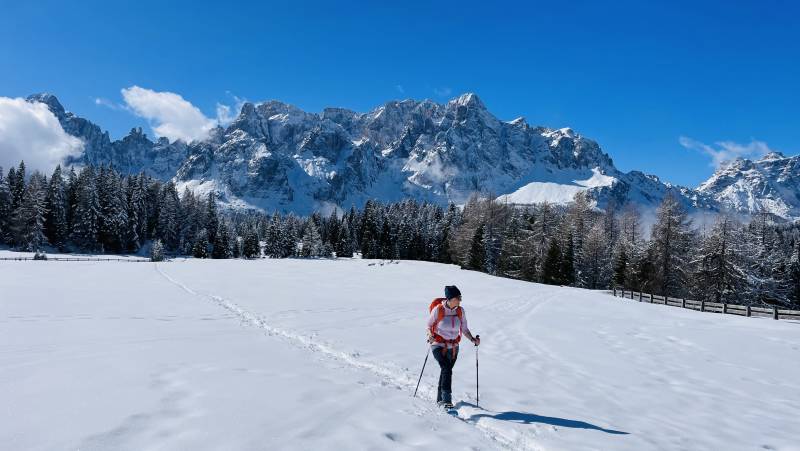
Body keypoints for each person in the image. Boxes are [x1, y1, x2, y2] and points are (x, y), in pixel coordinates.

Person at [427, 285, 479, 408]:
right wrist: (430, 335)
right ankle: (447, 401)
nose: (460, 300)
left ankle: (439, 399)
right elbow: (429, 326)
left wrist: (472, 339)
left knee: (446, 371)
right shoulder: (438, 310)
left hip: (454, 346)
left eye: (460, 297)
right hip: (438, 344)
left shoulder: (460, 311)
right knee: (446, 368)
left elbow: (464, 328)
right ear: (450, 298)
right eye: (458, 297)